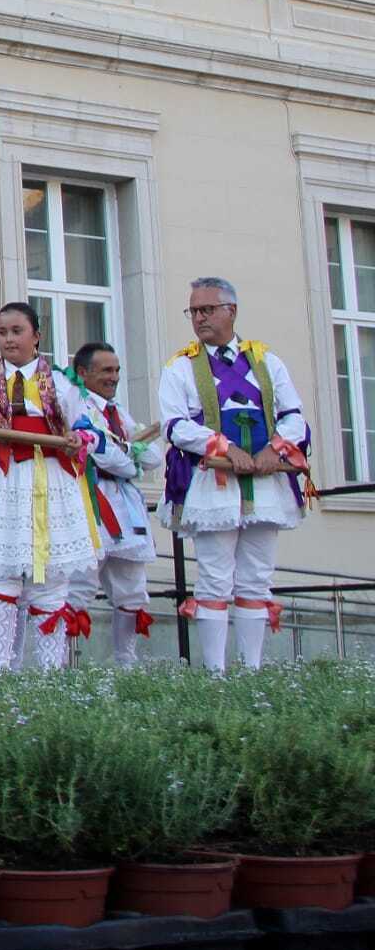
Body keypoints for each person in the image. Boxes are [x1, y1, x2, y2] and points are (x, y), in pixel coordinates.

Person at [158, 276, 312, 672]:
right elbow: (175, 426)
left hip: (266, 482)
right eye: (193, 310)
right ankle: (215, 675)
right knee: (214, 577)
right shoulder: (180, 366)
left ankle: (251, 671)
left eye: (207, 309)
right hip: (214, 482)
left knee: (256, 577)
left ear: (232, 311)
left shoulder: (267, 361)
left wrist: (274, 449)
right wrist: (225, 448)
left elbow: (293, 415)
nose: (199, 318)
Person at [0, 303, 99, 672]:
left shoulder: (61, 383)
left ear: (36, 336)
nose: (9, 339)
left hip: (47, 481)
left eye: (17, 331)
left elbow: (88, 430)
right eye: (2, 332)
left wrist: (78, 440)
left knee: (50, 581)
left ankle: (50, 674)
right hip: (0, 482)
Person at [68, 341, 161, 668]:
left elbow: (152, 457)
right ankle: (63, 670)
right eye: (106, 370)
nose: (114, 377)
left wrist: (125, 453)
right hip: (89, 502)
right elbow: (105, 455)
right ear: (83, 372)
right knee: (78, 586)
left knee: (132, 590)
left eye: (117, 370)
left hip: (126, 509)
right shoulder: (77, 405)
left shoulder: (118, 411)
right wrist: (127, 454)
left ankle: (126, 666)